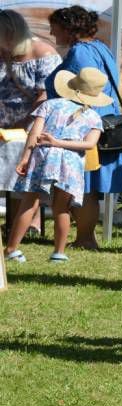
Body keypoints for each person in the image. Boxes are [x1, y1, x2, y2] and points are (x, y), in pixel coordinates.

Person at [4, 68, 107, 263]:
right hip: (71, 162)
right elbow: (89, 144)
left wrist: (25, 157)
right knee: (61, 207)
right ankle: (59, 253)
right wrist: (60, 143)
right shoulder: (94, 117)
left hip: (42, 155)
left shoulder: (50, 105)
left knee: (29, 201)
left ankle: (11, 249)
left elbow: (34, 133)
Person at [46, 6, 122, 251]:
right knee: (88, 186)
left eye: (55, 27)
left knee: (86, 186)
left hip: (85, 126)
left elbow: (83, 93)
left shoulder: (80, 52)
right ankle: (85, 237)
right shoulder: (99, 47)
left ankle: (86, 238)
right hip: (100, 122)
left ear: (69, 29)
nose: (51, 32)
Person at [0, 9, 61, 238]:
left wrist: (26, 122)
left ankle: (28, 224)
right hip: (4, 127)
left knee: (24, 173)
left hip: (29, 126)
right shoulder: (3, 51)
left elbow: (46, 94)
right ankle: (13, 225)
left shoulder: (42, 52)